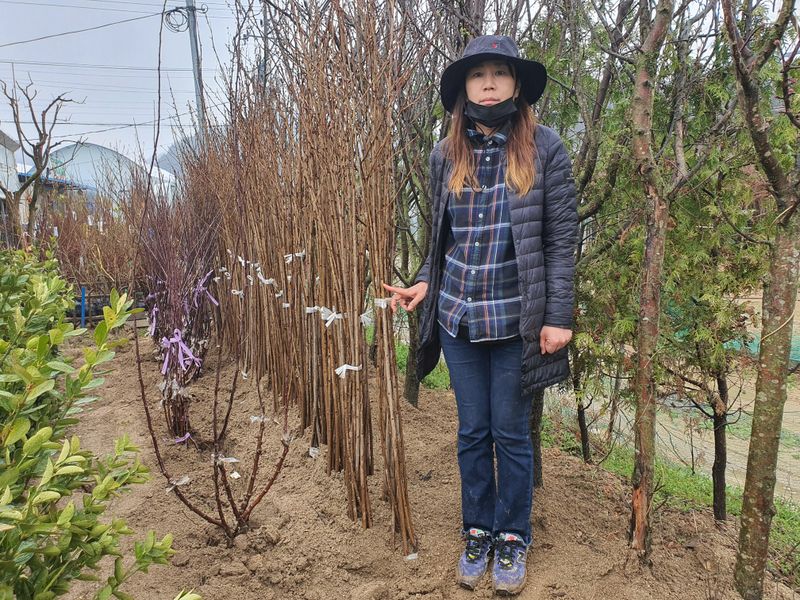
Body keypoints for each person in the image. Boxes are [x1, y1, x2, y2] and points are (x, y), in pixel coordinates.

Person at [383, 35, 578, 595]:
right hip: (459, 319)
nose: (488, 82)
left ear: (516, 84)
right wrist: (424, 282)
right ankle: (478, 531)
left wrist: (558, 316)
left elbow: (562, 242)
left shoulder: (547, 148)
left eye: (499, 72)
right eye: (477, 74)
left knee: (511, 433)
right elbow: (437, 241)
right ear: (464, 87)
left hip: (518, 319)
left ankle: (512, 537)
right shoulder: (445, 154)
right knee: (472, 432)